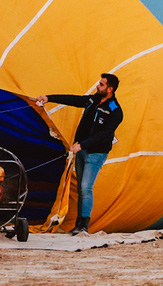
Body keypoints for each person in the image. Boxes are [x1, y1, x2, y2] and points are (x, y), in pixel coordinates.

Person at [35, 73, 123, 235]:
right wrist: (49, 98)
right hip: (82, 150)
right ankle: (79, 224)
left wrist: (82, 145)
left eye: (101, 84)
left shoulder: (115, 111)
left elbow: (104, 135)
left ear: (110, 89)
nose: (98, 86)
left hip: (95, 153)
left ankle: (84, 225)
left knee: (85, 187)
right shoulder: (93, 100)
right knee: (83, 188)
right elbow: (74, 100)